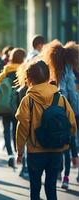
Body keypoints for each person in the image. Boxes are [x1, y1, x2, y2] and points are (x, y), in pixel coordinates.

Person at [16, 60, 77, 200]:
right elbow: (72, 124)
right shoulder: (61, 98)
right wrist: (67, 145)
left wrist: (20, 151)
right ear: (49, 76)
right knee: (51, 188)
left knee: (35, 188)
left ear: (29, 79)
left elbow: (22, 128)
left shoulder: (28, 100)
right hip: (56, 150)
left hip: (35, 151)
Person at [42, 39, 79, 189]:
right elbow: (72, 94)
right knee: (70, 144)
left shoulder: (52, 70)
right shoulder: (69, 72)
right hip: (69, 112)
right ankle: (65, 177)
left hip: (55, 113)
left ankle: (58, 171)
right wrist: (75, 112)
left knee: (58, 144)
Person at [0, 48, 26, 168]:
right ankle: (18, 152)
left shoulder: (5, 71)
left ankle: (10, 154)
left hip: (4, 107)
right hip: (18, 106)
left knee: (6, 130)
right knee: (16, 130)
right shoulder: (24, 71)